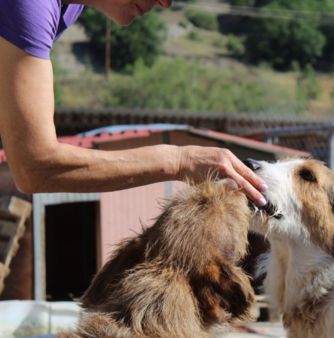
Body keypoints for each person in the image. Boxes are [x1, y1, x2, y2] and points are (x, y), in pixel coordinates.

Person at [0, 0, 268, 207]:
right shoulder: (30, 7)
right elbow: (33, 166)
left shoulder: (67, 7)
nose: (165, 3)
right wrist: (179, 161)